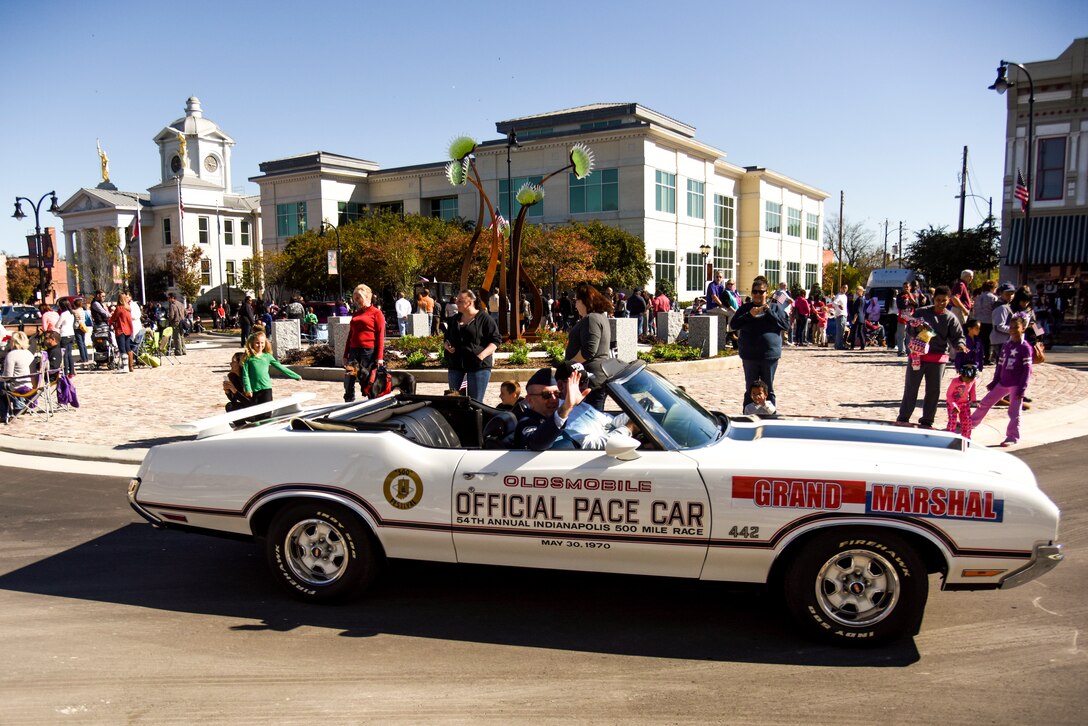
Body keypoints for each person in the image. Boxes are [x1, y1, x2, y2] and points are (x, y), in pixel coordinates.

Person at [895, 285, 967, 429]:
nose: (941, 303)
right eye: (938, 300)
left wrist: (960, 345)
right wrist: (917, 328)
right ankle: (903, 417)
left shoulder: (950, 318)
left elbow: (958, 336)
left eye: (944, 301)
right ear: (933, 299)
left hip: (938, 359)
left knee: (933, 391)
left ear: (948, 301)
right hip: (917, 356)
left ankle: (927, 420)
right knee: (911, 388)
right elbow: (910, 328)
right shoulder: (922, 312)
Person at [970, 316, 1033, 447]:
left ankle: (1012, 436)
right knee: (986, 402)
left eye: (1017, 327)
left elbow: (1028, 370)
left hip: (1016, 384)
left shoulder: (1025, 347)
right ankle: (972, 422)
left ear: (1023, 328)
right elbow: (1000, 364)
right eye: (1011, 327)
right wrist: (995, 380)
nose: (1013, 330)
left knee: (1014, 412)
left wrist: (1022, 388)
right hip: (1003, 382)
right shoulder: (1006, 345)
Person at [730, 275, 790, 410]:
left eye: (761, 292)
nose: (758, 295)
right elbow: (733, 325)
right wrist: (749, 315)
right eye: (755, 292)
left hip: (769, 356)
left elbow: (785, 325)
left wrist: (768, 311)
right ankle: (748, 418)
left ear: (766, 293)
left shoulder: (775, 307)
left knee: (768, 389)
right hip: (750, 355)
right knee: (750, 389)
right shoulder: (746, 308)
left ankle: (770, 418)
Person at [443, 288, 500, 402]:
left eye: (460, 301)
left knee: (475, 402)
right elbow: (447, 337)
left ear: (470, 302)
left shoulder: (484, 318)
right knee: (454, 401)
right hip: (456, 365)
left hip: (478, 366)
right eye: (456, 300)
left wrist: (481, 356)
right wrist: (447, 345)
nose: (456, 303)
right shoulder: (454, 319)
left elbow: (496, 340)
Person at [564, 283, 614, 411]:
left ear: (585, 301)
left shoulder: (591, 319)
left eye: (577, 301)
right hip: (594, 377)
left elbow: (588, 351)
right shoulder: (599, 317)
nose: (575, 305)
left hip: (591, 379)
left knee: (590, 419)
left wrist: (568, 366)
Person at [343, 284, 386, 403]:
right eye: (355, 298)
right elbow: (350, 335)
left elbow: (380, 336)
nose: (356, 301)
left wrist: (380, 357)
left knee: (368, 382)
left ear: (367, 297)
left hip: (368, 352)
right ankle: (348, 403)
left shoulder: (377, 313)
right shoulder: (356, 314)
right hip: (353, 351)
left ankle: (371, 404)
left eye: (358, 298)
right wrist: (345, 354)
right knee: (348, 380)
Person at [241, 330, 301, 405]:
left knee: (267, 412)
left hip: (266, 388)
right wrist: (248, 389)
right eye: (257, 343)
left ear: (265, 343)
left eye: (262, 343)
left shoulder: (267, 356)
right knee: (256, 412)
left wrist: (295, 376)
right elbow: (245, 375)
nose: (260, 345)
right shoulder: (248, 358)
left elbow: (280, 367)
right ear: (252, 343)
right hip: (254, 390)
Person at [946, 363, 978, 439]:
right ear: (962, 375)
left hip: (965, 404)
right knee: (952, 422)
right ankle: (950, 438)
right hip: (953, 404)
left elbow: (972, 391)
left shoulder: (973, 381)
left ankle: (966, 438)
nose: (968, 381)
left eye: (971, 379)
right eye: (967, 379)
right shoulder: (955, 382)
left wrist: (974, 400)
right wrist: (953, 406)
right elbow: (949, 395)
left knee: (967, 422)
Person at [973, 280, 999, 364]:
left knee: (979, 340)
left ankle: (978, 356)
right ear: (992, 288)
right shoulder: (993, 298)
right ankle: (987, 358)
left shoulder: (978, 297)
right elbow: (995, 310)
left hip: (978, 321)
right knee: (988, 341)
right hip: (989, 321)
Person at [109, 292, 135, 372]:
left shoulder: (119, 308)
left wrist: (109, 321)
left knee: (122, 348)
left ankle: (125, 367)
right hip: (128, 330)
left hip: (121, 330)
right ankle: (131, 366)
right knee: (128, 348)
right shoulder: (128, 308)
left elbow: (113, 318)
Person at [894, 281, 917, 356]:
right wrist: (909, 305)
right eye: (904, 287)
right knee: (901, 336)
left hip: (911, 319)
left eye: (907, 287)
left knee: (910, 336)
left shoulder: (913, 295)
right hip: (902, 318)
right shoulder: (900, 296)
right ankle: (901, 351)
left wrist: (910, 296)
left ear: (910, 287)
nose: (906, 288)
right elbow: (900, 305)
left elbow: (916, 305)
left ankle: (909, 350)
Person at [56, 298, 77, 377]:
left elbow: (57, 325)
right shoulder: (71, 313)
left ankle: (65, 372)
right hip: (71, 334)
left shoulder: (63, 314)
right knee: (69, 354)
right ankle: (71, 372)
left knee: (64, 355)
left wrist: (59, 326)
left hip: (64, 334)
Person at [72, 297, 91, 368]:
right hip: (83, 327)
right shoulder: (83, 310)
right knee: (83, 343)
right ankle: (85, 357)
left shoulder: (75, 311)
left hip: (77, 327)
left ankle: (83, 358)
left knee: (80, 343)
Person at [832, 284, 849, 350]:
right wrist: (838, 305)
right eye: (844, 288)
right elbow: (833, 303)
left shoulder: (845, 296)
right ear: (841, 288)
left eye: (846, 288)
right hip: (840, 315)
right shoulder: (838, 296)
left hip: (844, 314)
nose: (845, 289)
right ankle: (839, 345)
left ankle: (837, 344)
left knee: (842, 331)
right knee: (840, 331)